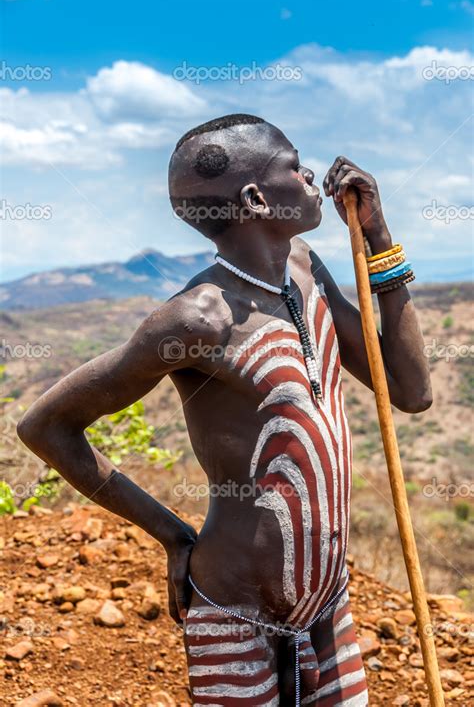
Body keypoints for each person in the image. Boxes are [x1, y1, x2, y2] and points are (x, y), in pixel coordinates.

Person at [18, 113, 432, 706]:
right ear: (256, 198)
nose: (311, 173)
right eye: (294, 164)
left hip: (329, 604)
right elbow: (46, 426)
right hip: (235, 613)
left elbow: (410, 391)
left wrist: (377, 236)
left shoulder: (306, 271)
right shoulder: (199, 320)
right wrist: (170, 533)